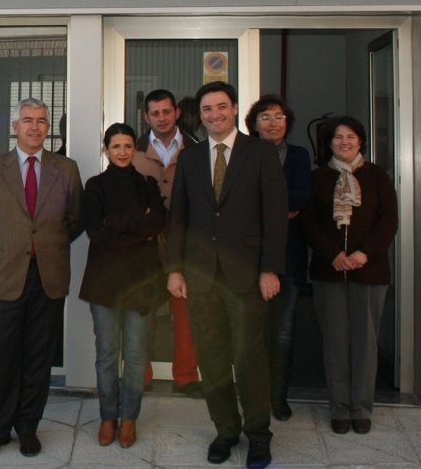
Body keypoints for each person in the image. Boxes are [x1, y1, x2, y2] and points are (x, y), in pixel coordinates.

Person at [164, 81, 287, 469]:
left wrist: (270, 269)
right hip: (201, 277)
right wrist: (174, 269)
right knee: (213, 359)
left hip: (247, 277)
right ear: (199, 116)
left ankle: (258, 435)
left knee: (249, 358)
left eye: (221, 107)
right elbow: (178, 217)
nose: (214, 114)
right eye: (207, 109)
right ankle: (226, 430)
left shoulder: (261, 152)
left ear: (234, 109)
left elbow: (275, 216)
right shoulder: (190, 157)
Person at [0, 98, 84, 460]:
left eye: (42, 121)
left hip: (48, 276)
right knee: (3, 355)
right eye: (28, 120)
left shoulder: (66, 169)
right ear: (15, 126)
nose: (35, 127)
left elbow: (76, 219)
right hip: (7, 275)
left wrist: (46, 246)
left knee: (38, 356)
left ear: (48, 128)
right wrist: (7, 246)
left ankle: (28, 426)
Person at [301, 116, 398, 435]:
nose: (344, 142)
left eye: (351, 136)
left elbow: (388, 220)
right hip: (329, 271)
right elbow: (308, 222)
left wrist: (363, 253)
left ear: (361, 141)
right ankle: (340, 407)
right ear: (329, 143)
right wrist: (333, 254)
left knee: (365, 343)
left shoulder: (377, 176)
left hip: (370, 271)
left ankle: (361, 408)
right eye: (338, 137)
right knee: (335, 342)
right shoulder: (318, 178)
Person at [79, 122, 167, 449]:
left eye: (128, 146)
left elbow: (157, 222)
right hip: (104, 283)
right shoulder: (95, 186)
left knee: (136, 355)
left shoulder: (147, 184)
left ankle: (129, 418)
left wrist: (116, 223)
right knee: (106, 354)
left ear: (135, 149)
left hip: (141, 282)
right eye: (115, 146)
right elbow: (95, 232)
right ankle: (108, 417)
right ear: (106, 150)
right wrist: (138, 231)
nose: (122, 152)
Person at [244, 94, 311, 421]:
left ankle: (278, 397)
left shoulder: (298, 156)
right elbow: (241, 202)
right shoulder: (244, 155)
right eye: (266, 117)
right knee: (253, 333)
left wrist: (267, 204)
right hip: (250, 259)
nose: (273, 123)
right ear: (254, 124)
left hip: (289, 258)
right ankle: (254, 395)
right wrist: (280, 208)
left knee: (283, 333)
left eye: (279, 117)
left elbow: (302, 196)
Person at [131, 90, 202, 397]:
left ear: (177, 113)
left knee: (185, 314)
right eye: (155, 113)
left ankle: (186, 377)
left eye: (166, 112)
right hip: (145, 245)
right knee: (143, 313)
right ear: (146, 117)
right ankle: (141, 375)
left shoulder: (196, 150)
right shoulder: (133, 151)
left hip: (185, 244)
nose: (161, 118)